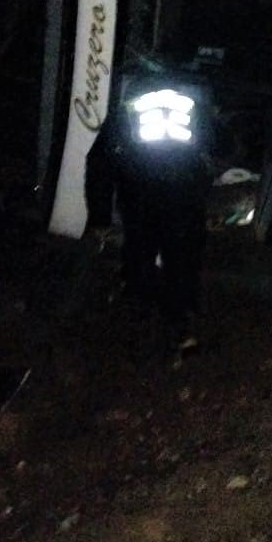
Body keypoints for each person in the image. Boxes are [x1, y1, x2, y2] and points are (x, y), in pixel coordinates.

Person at [85, 77, 216, 357]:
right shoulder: (194, 109)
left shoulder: (125, 112)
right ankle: (181, 330)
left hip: (139, 200)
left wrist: (100, 216)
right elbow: (226, 146)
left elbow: (99, 165)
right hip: (184, 200)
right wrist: (205, 185)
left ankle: (138, 325)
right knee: (182, 264)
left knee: (139, 258)